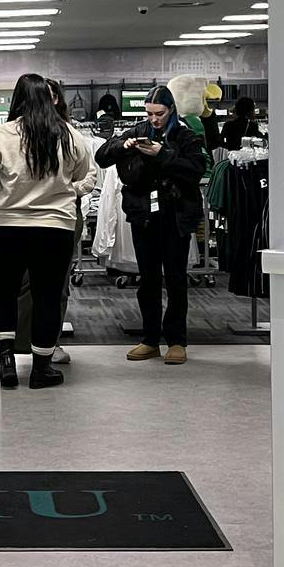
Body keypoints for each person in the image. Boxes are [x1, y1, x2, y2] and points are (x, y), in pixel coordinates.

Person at [0, 74, 95, 389]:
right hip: (55, 228)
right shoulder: (68, 134)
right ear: (50, 99)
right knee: (48, 297)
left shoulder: (1, 135)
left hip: (8, 227)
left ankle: (7, 364)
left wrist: (6, 186)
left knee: (4, 294)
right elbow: (82, 173)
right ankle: (41, 368)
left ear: (17, 99)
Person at [97, 83, 206, 365]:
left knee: (176, 279)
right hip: (144, 217)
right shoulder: (137, 131)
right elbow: (102, 157)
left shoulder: (185, 136)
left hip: (176, 216)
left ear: (171, 110)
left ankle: (177, 341)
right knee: (148, 280)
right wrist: (123, 145)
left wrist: (162, 154)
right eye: (149, 114)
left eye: (159, 113)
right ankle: (150, 339)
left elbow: (197, 170)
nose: (154, 119)